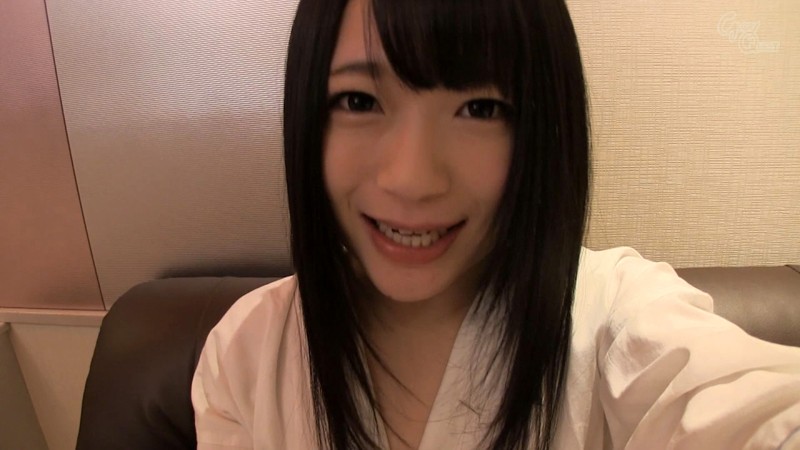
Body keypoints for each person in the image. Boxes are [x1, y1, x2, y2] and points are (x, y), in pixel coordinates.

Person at [191, 0, 800, 448]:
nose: (412, 178)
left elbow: (750, 410)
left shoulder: (613, 315)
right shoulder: (247, 351)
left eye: (480, 108)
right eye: (359, 101)